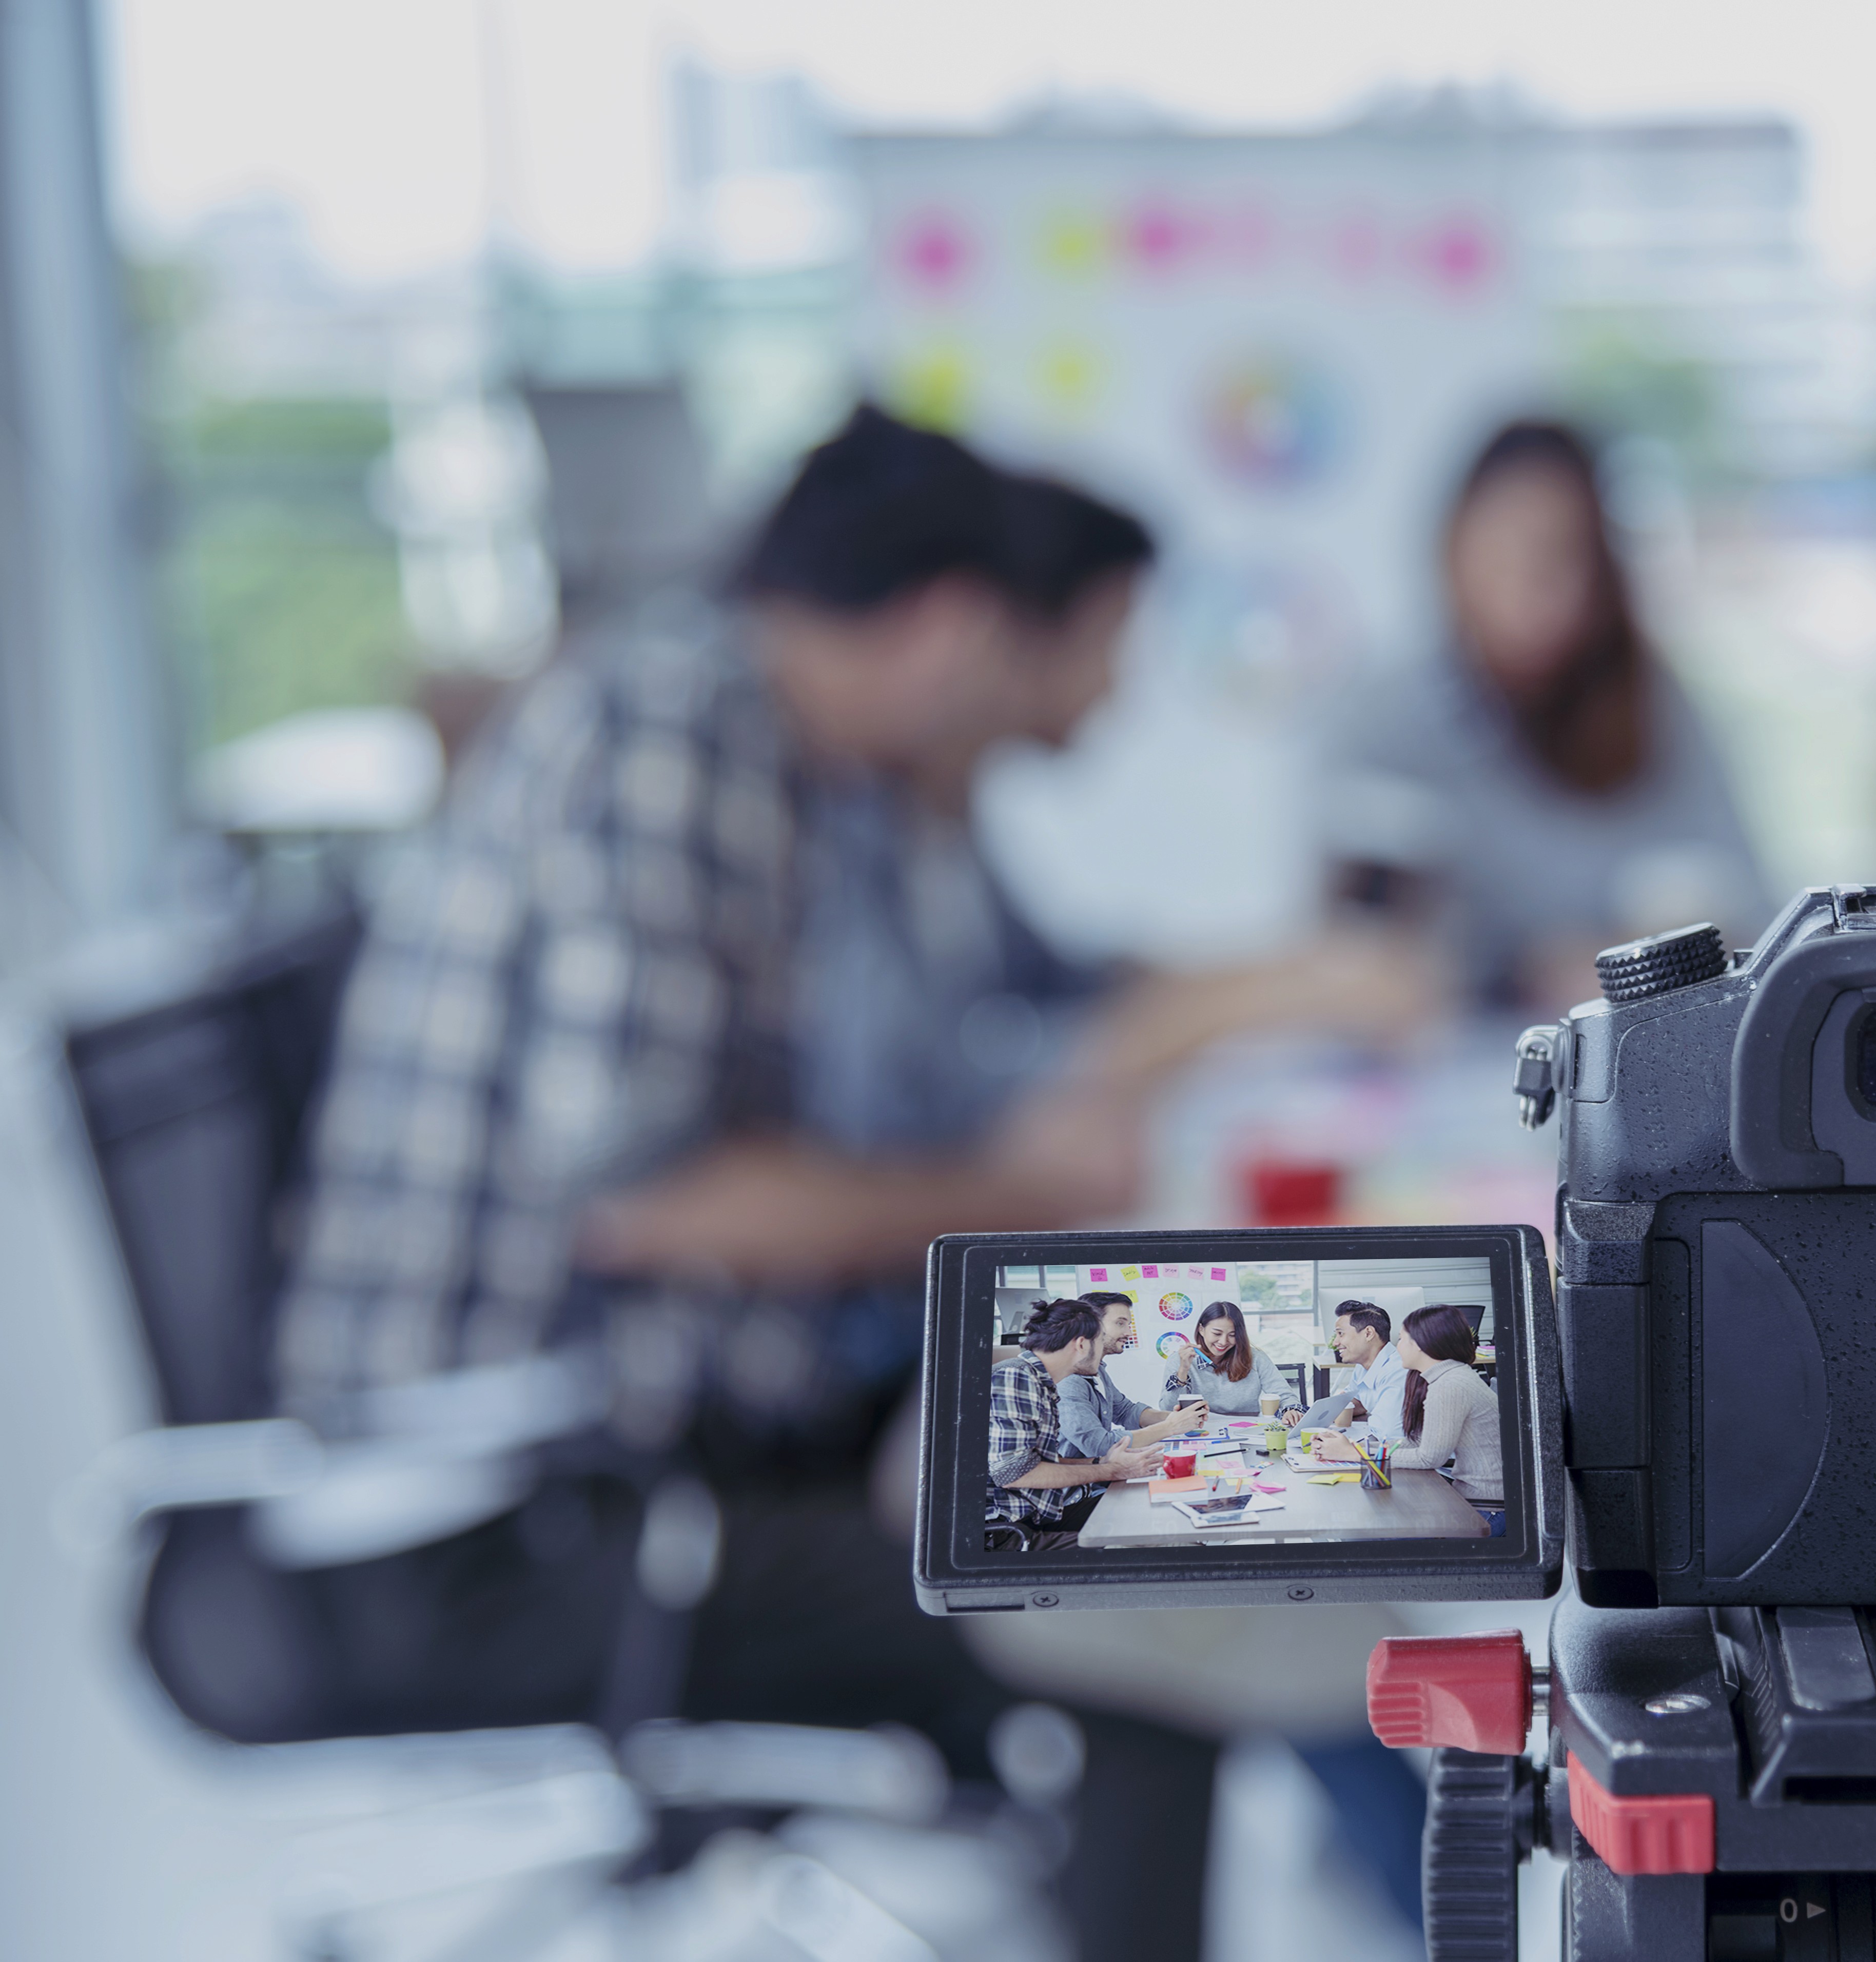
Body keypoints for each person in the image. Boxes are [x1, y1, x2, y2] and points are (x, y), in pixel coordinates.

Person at [275, 405, 1418, 1956]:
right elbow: (652, 1194)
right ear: (954, 624)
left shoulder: (777, 754)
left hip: (668, 1441)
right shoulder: (678, 736)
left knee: (1231, 1478)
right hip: (533, 1510)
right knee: (1169, 1597)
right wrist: (1001, 1190)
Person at [1321, 419, 1767, 1009]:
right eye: (1497, 553)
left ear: (1602, 573)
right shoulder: (1390, 719)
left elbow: (1746, 920)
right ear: (1453, 553)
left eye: (1555, 557)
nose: (1523, 588)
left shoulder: (1653, 709)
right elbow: (1351, 955)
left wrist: (1625, 965)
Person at [985, 1299, 1164, 1547]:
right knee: (1140, 1543)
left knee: (1152, 1513)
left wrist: (1102, 1462)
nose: (1102, 1352)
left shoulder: (1042, 1383)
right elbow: (1014, 1473)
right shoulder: (1016, 1378)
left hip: (1042, 1513)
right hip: (1010, 1533)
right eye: (1100, 1342)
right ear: (1082, 1344)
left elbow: (1038, 1462)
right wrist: (1113, 1470)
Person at [1318, 1303, 1504, 1534]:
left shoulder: (1449, 1385)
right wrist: (1361, 1449)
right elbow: (1415, 1442)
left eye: (1401, 1339)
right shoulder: (1446, 1377)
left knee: (1361, 1535)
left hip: (1486, 1510)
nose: (1397, 1347)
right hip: (1471, 1500)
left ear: (1421, 1344)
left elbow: (1429, 1459)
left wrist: (1352, 1454)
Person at [1056, 1291, 1206, 1461]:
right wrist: (1170, 1427)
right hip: (1086, 1483)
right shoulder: (1069, 1381)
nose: (1129, 1333)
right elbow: (1099, 1445)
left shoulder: (1099, 1372)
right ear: (1092, 1326)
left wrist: (1179, 1419)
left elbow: (1126, 1412)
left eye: (1129, 1325)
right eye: (1120, 1323)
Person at [1298, 1299, 1406, 1439]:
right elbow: (1355, 1400)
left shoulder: (1398, 1371)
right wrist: (1315, 1416)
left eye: (1341, 1334)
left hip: (1395, 1452)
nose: (1336, 1343)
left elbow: (1388, 1434)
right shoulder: (1364, 1366)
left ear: (1368, 1333)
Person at [1168, 1300, 1282, 1418]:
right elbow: (1168, 1411)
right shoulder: (1180, 1360)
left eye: (1232, 1335)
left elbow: (1284, 1395)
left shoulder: (1256, 1358)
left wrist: (1291, 1411)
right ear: (1201, 1330)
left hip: (1247, 1427)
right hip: (1202, 1428)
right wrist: (1183, 1372)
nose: (1223, 1342)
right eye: (1217, 1334)